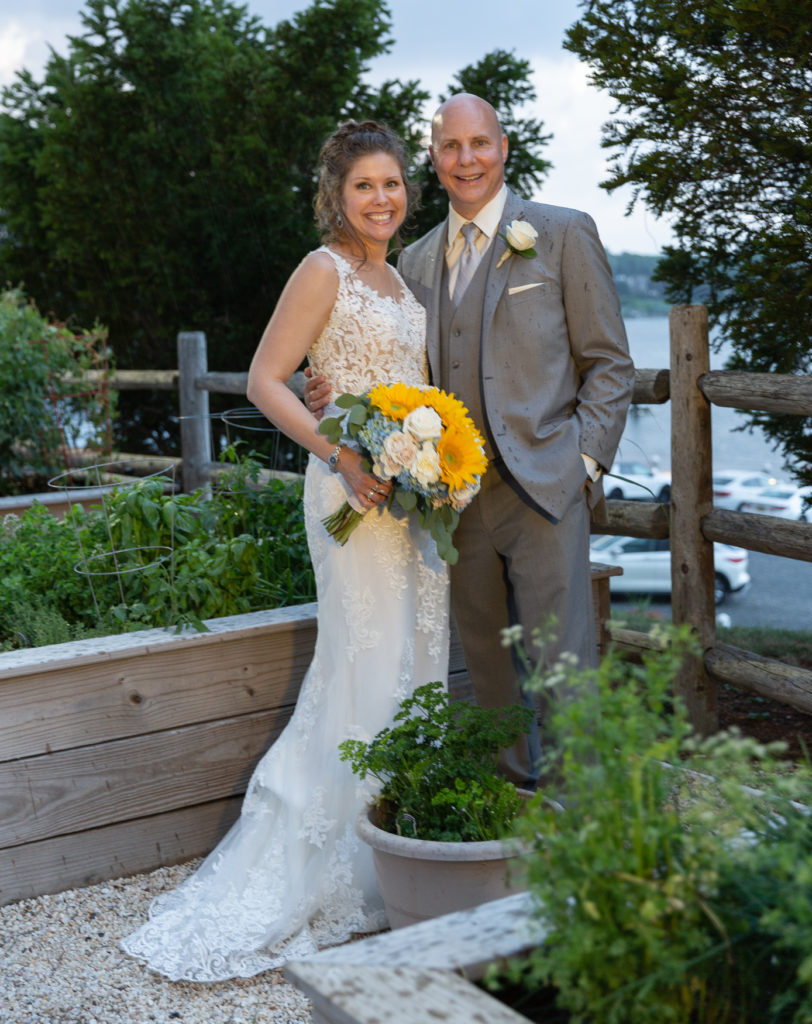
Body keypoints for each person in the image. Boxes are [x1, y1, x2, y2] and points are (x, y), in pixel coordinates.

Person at [120, 120, 450, 981]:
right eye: (363, 187)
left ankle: (389, 860)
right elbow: (267, 379)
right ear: (335, 197)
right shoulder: (323, 269)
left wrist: (428, 457)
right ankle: (319, 869)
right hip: (345, 495)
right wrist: (340, 452)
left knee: (413, 665)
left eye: (391, 184)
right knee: (360, 667)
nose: (382, 199)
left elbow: (401, 387)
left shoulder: (398, 277)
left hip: (408, 501)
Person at [306, 94, 634, 786]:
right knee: (487, 672)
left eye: (478, 143)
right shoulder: (414, 264)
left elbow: (608, 362)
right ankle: (508, 821)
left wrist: (581, 462)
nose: (466, 160)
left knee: (563, 667)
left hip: (547, 488)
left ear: (503, 146)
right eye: (450, 147)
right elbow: (390, 368)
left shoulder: (561, 233)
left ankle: (583, 828)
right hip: (452, 505)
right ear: (434, 157)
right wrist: (328, 395)